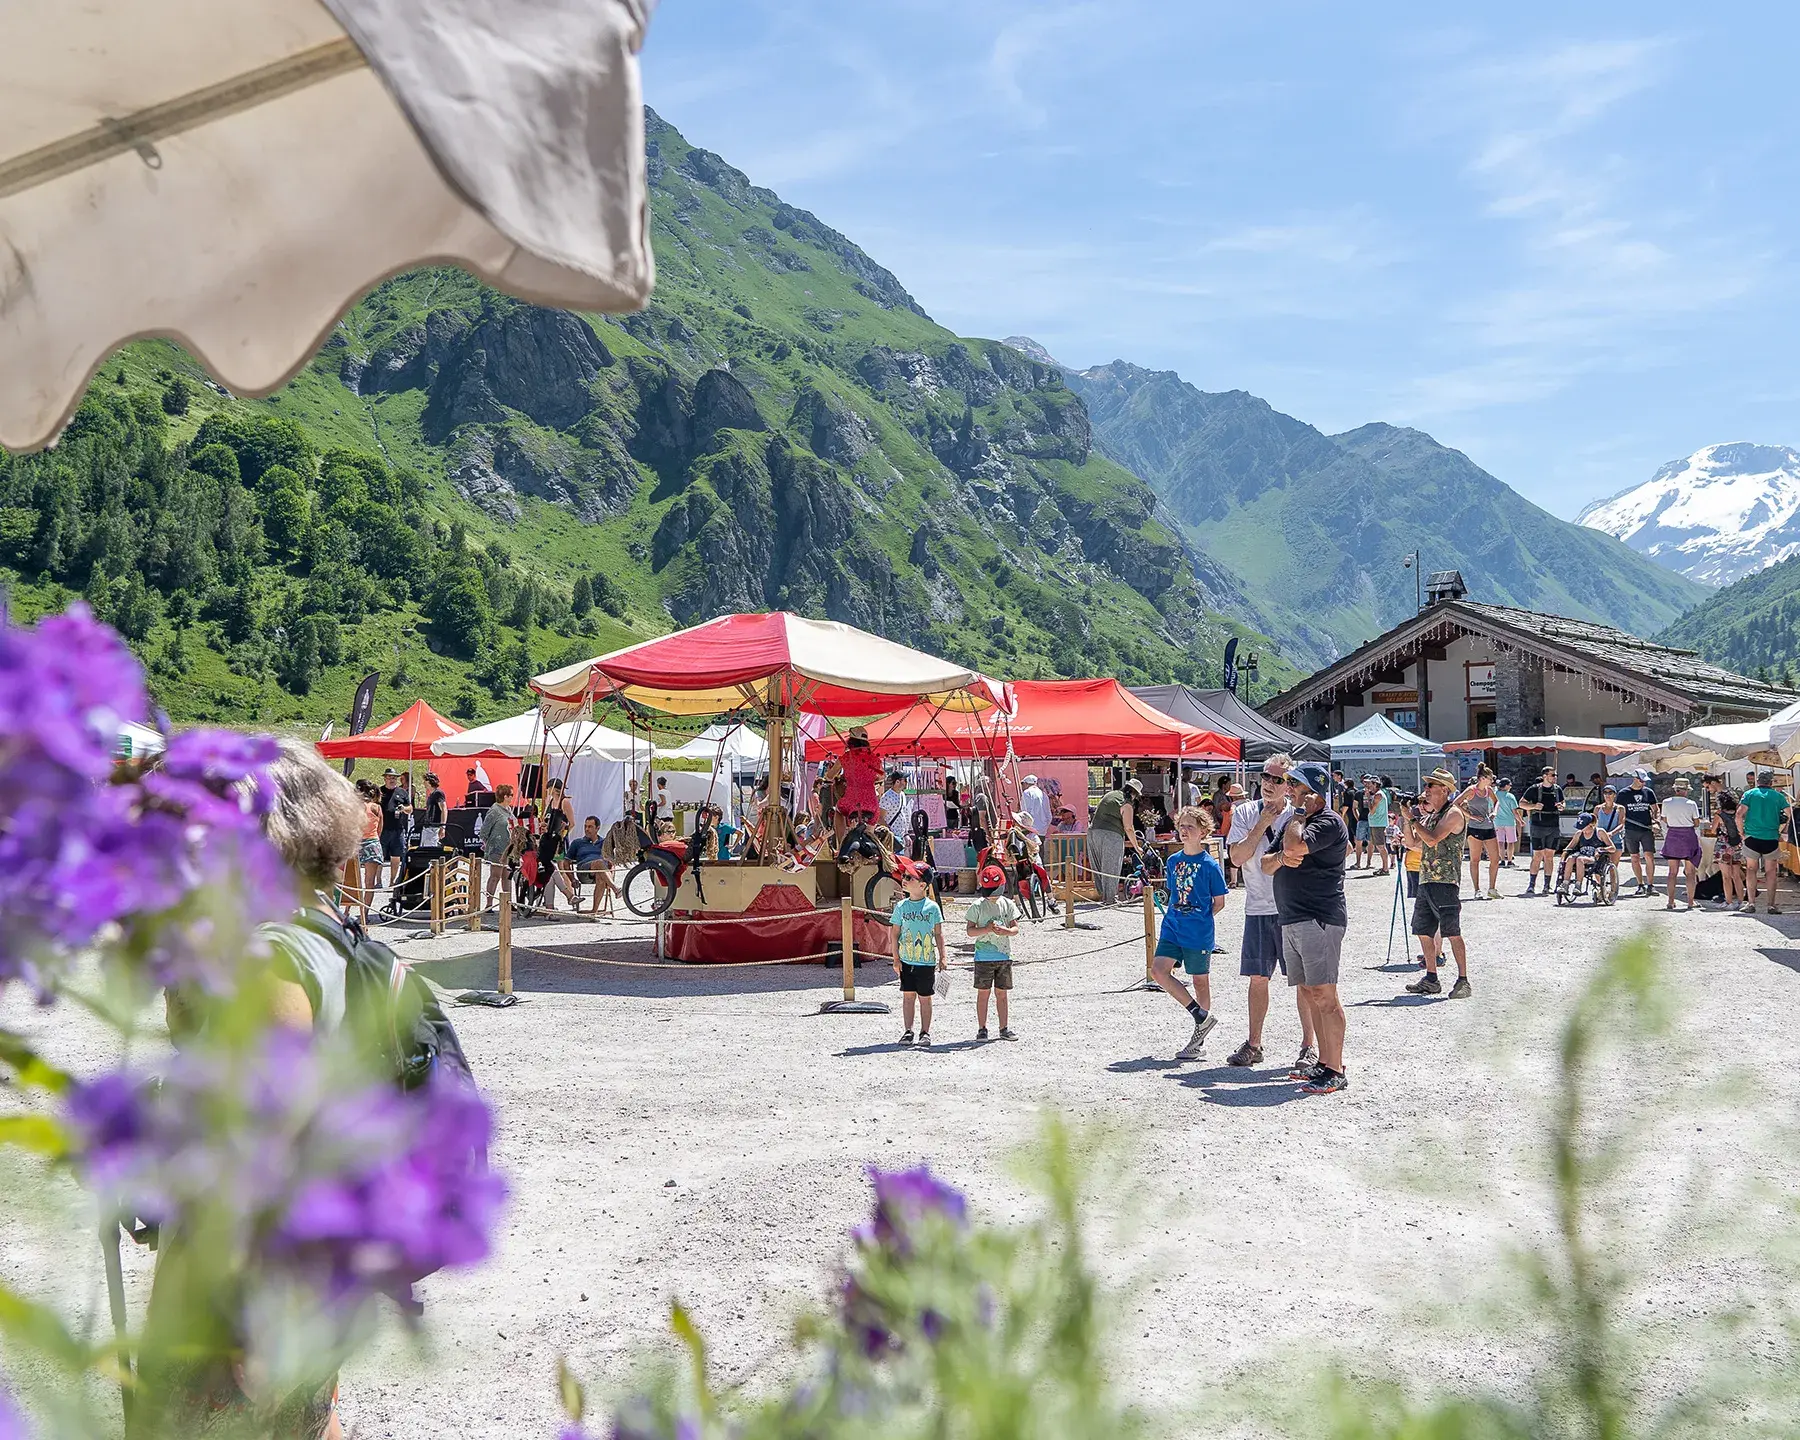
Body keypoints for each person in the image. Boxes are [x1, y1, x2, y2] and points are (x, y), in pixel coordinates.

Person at [1266, 763, 1349, 1095]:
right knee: (1309, 992)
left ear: (1314, 792)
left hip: (1319, 917)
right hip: (1293, 918)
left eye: (1296, 786)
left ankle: (1335, 1068)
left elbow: (1296, 847)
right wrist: (1284, 857)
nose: (1289, 790)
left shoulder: (1328, 822)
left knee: (1325, 994)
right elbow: (1266, 863)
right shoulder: (1294, 823)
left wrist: (1298, 816)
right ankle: (1324, 1062)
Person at [1226, 754, 1313, 1070]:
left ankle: (1308, 1046)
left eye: (1277, 779)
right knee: (1258, 978)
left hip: (1292, 907)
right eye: (1265, 776)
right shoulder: (1246, 812)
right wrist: (1261, 823)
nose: (1269, 783)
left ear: (1289, 785)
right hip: (1258, 908)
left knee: (1303, 980)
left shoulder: (1298, 815)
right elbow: (1236, 858)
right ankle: (1254, 1043)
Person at [1148, 806, 1231, 1060]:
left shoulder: (1210, 865)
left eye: (1190, 827)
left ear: (1203, 832)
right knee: (1158, 971)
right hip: (1172, 926)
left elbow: (1219, 902)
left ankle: (1198, 1040)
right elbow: (1174, 893)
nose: (1184, 831)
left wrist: (1199, 919)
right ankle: (1200, 1015)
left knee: (1199, 980)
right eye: (1181, 826)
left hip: (1198, 932)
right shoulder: (1173, 861)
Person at [1402, 767, 1472, 998]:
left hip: (1446, 881)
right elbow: (1414, 843)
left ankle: (1463, 980)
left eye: (1431, 786)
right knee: (1423, 930)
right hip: (1426, 879)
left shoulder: (1453, 814)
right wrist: (1406, 821)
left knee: (1452, 931)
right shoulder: (1432, 815)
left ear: (1445, 789)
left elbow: (1431, 840)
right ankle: (1431, 977)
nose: (1427, 790)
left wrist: (1413, 818)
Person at [889, 859, 946, 1046]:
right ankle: (908, 1031)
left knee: (925, 998)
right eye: (904, 876)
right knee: (908, 996)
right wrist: (896, 958)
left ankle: (925, 1032)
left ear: (922, 885)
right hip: (906, 960)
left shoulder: (932, 907)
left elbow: (938, 933)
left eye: (909, 877)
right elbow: (895, 932)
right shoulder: (901, 907)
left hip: (927, 961)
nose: (904, 880)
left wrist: (943, 956)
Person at [965, 861, 1022, 1041]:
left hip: (1004, 956)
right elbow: (969, 931)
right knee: (983, 994)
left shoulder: (1008, 904)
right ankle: (982, 1028)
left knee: (1002, 994)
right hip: (983, 958)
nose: (992, 896)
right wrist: (987, 930)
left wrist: (1006, 931)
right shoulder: (977, 906)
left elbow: (1015, 929)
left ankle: (1004, 1028)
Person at [1740, 770, 1790, 915]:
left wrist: (1741, 832)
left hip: (1752, 837)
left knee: (1751, 870)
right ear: (1771, 782)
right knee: (1771, 872)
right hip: (1771, 837)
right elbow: (1789, 813)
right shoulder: (1778, 796)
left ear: (1757, 781)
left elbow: (1739, 814)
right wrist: (1784, 831)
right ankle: (1771, 905)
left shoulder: (1749, 794)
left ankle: (1751, 903)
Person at [1087, 776, 1138, 904]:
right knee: (1111, 867)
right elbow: (1129, 827)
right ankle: (1110, 899)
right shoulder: (1126, 803)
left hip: (1093, 832)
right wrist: (1137, 846)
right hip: (1111, 835)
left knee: (1098, 867)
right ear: (1134, 793)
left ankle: (1103, 896)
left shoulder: (1111, 794)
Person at [1520, 765, 1564, 897]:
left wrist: (1562, 806)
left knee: (1549, 857)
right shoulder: (1534, 789)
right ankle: (1531, 885)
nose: (1555, 777)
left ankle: (1547, 886)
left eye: (1555, 775)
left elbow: (1563, 802)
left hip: (1553, 826)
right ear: (1545, 776)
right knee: (1537, 856)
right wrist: (1534, 806)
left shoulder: (1557, 790)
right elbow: (1521, 803)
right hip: (1538, 826)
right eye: (1552, 775)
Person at [1615, 768, 1659, 896]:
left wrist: (1656, 821)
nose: (1643, 783)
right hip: (1630, 829)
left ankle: (1650, 884)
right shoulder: (1623, 793)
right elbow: (1619, 810)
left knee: (1649, 856)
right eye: (1641, 780)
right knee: (1634, 857)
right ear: (1635, 779)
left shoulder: (1648, 792)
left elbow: (1655, 809)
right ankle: (1640, 884)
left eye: (1645, 781)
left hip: (1646, 828)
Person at [1459, 766, 1500, 900]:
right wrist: (1471, 816)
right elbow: (1455, 803)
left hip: (1488, 826)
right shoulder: (1471, 790)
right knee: (1475, 860)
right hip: (1474, 827)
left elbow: (1497, 801)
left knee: (1495, 858)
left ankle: (1492, 888)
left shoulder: (1488, 790)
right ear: (1483, 778)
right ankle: (1477, 890)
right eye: (1490, 778)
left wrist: (1494, 812)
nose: (1492, 781)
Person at [538, 777, 579, 911]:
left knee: (563, 869)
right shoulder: (551, 802)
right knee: (552, 868)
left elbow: (571, 823)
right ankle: (558, 897)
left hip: (560, 840)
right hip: (549, 840)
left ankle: (571, 896)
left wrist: (562, 834)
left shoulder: (564, 802)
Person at [563, 815, 616, 916]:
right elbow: (566, 863)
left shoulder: (605, 843)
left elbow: (611, 862)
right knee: (599, 862)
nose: (587, 829)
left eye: (590, 827)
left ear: (597, 828)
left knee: (601, 876)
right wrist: (572, 879)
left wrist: (611, 874)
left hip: (601, 873)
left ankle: (594, 911)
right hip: (584, 872)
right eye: (585, 826)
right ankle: (615, 888)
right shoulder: (577, 843)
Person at [1558, 811, 1617, 897]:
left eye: (1583, 827)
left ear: (1590, 825)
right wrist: (1564, 855)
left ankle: (1578, 886)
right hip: (1581, 855)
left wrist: (1602, 849)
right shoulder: (1579, 834)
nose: (1581, 829)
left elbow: (1613, 848)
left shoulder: (1600, 832)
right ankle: (1565, 884)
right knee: (1571, 859)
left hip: (1594, 858)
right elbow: (1569, 848)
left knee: (1580, 859)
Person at [478, 783, 514, 910]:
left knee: (507, 877)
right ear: (505, 796)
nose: (512, 798)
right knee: (495, 875)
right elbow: (484, 831)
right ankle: (489, 904)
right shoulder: (494, 811)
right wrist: (488, 844)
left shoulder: (509, 810)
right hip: (497, 848)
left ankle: (507, 902)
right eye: (511, 795)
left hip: (508, 848)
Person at [352, 778, 383, 921]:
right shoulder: (376, 807)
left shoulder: (355, 807)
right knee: (369, 882)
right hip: (373, 843)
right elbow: (380, 829)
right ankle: (364, 914)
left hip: (358, 843)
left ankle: (347, 911)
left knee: (352, 880)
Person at [377, 766, 410, 891]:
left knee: (396, 856)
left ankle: (392, 881)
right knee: (380, 856)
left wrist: (404, 809)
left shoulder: (402, 792)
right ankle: (378, 881)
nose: (392, 780)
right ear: (385, 778)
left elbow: (410, 808)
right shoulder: (379, 791)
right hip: (382, 829)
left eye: (394, 778)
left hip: (398, 829)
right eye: (390, 777)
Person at [1712, 791, 1746, 909]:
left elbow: (1713, 830)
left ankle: (1729, 902)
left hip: (1723, 846)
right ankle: (1741, 902)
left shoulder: (1719, 814)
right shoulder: (1738, 813)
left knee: (1726, 876)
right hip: (1736, 846)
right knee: (1736, 875)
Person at [1365, 776, 1392, 876]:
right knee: (1380, 846)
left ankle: (1385, 869)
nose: (1368, 786)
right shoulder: (1379, 794)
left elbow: (1372, 811)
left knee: (1381, 846)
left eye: (1370, 784)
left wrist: (1368, 798)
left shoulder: (1378, 795)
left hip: (1378, 824)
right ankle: (1384, 868)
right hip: (1376, 823)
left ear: (1375, 784)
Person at [1493, 778, 1519, 868]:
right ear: (1506, 786)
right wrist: (1520, 821)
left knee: (1500, 842)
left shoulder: (1494, 795)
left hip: (1497, 821)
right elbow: (1515, 811)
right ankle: (1510, 860)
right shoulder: (1510, 796)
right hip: (1509, 821)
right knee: (1510, 842)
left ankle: (1502, 860)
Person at [418, 771, 448, 849]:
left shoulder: (438, 793)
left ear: (429, 781)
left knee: (431, 849)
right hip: (427, 826)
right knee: (424, 849)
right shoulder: (431, 795)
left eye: (425, 781)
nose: (423, 783)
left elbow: (444, 809)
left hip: (434, 827)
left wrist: (443, 826)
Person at [1019, 772, 1051, 838]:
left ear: (1026, 783)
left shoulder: (1027, 793)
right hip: (1042, 831)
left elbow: (1024, 812)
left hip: (1030, 831)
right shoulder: (1044, 794)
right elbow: (1048, 815)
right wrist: (1044, 827)